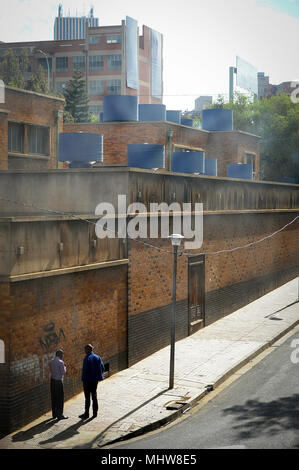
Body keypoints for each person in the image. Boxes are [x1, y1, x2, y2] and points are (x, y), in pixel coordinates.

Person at [79, 344, 105, 419]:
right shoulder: (97, 357)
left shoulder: (87, 358)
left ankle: (86, 414)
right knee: (94, 396)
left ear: (89, 350)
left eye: (85, 350)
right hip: (94, 381)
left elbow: (85, 370)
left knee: (87, 398)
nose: (85, 351)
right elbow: (102, 368)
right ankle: (95, 413)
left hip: (87, 381)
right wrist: (97, 376)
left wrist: (83, 379)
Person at [49, 349, 68, 420]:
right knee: (60, 399)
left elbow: (51, 370)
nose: (63, 356)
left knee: (54, 398)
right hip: (58, 382)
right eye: (62, 355)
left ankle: (54, 414)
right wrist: (65, 367)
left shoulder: (51, 361)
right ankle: (60, 415)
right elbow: (63, 372)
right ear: (60, 355)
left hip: (52, 381)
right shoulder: (61, 362)